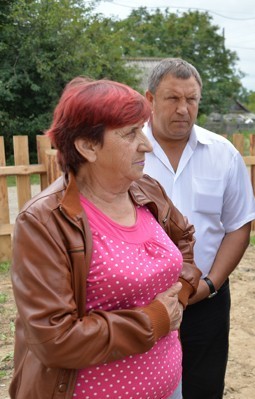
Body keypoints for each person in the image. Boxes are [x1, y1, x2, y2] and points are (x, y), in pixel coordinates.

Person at [10, 77, 201, 398]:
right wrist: (153, 319)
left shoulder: (146, 189)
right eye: (130, 133)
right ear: (87, 146)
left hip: (169, 385)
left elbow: (184, 239)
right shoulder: (44, 221)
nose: (147, 144)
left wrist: (178, 297)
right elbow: (53, 339)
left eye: (143, 128)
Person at [143, 58, 255, 399]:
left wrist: (210, 284)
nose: (183, 109)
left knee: (205, 388)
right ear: (149, 100)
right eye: (172, 99)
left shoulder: (222, 153)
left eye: (191, 99)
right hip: (140, 306)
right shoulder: (129, 151)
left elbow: (239, 226)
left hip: (205, 301)